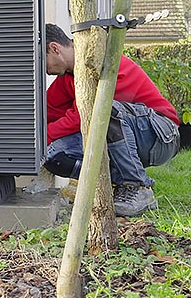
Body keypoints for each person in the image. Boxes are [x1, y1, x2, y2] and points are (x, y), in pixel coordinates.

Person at [44, 24, 180, 217]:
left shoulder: (100, 64)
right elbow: (47, 110)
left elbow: (82, 116)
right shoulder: (69, 77)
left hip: (160, 135)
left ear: (54, 48)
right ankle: (114, 186)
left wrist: (45, 135)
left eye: (43, 61)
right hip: (129, 133)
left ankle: (138, 187)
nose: (45, 70)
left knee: (104, 109)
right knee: (52, 155)